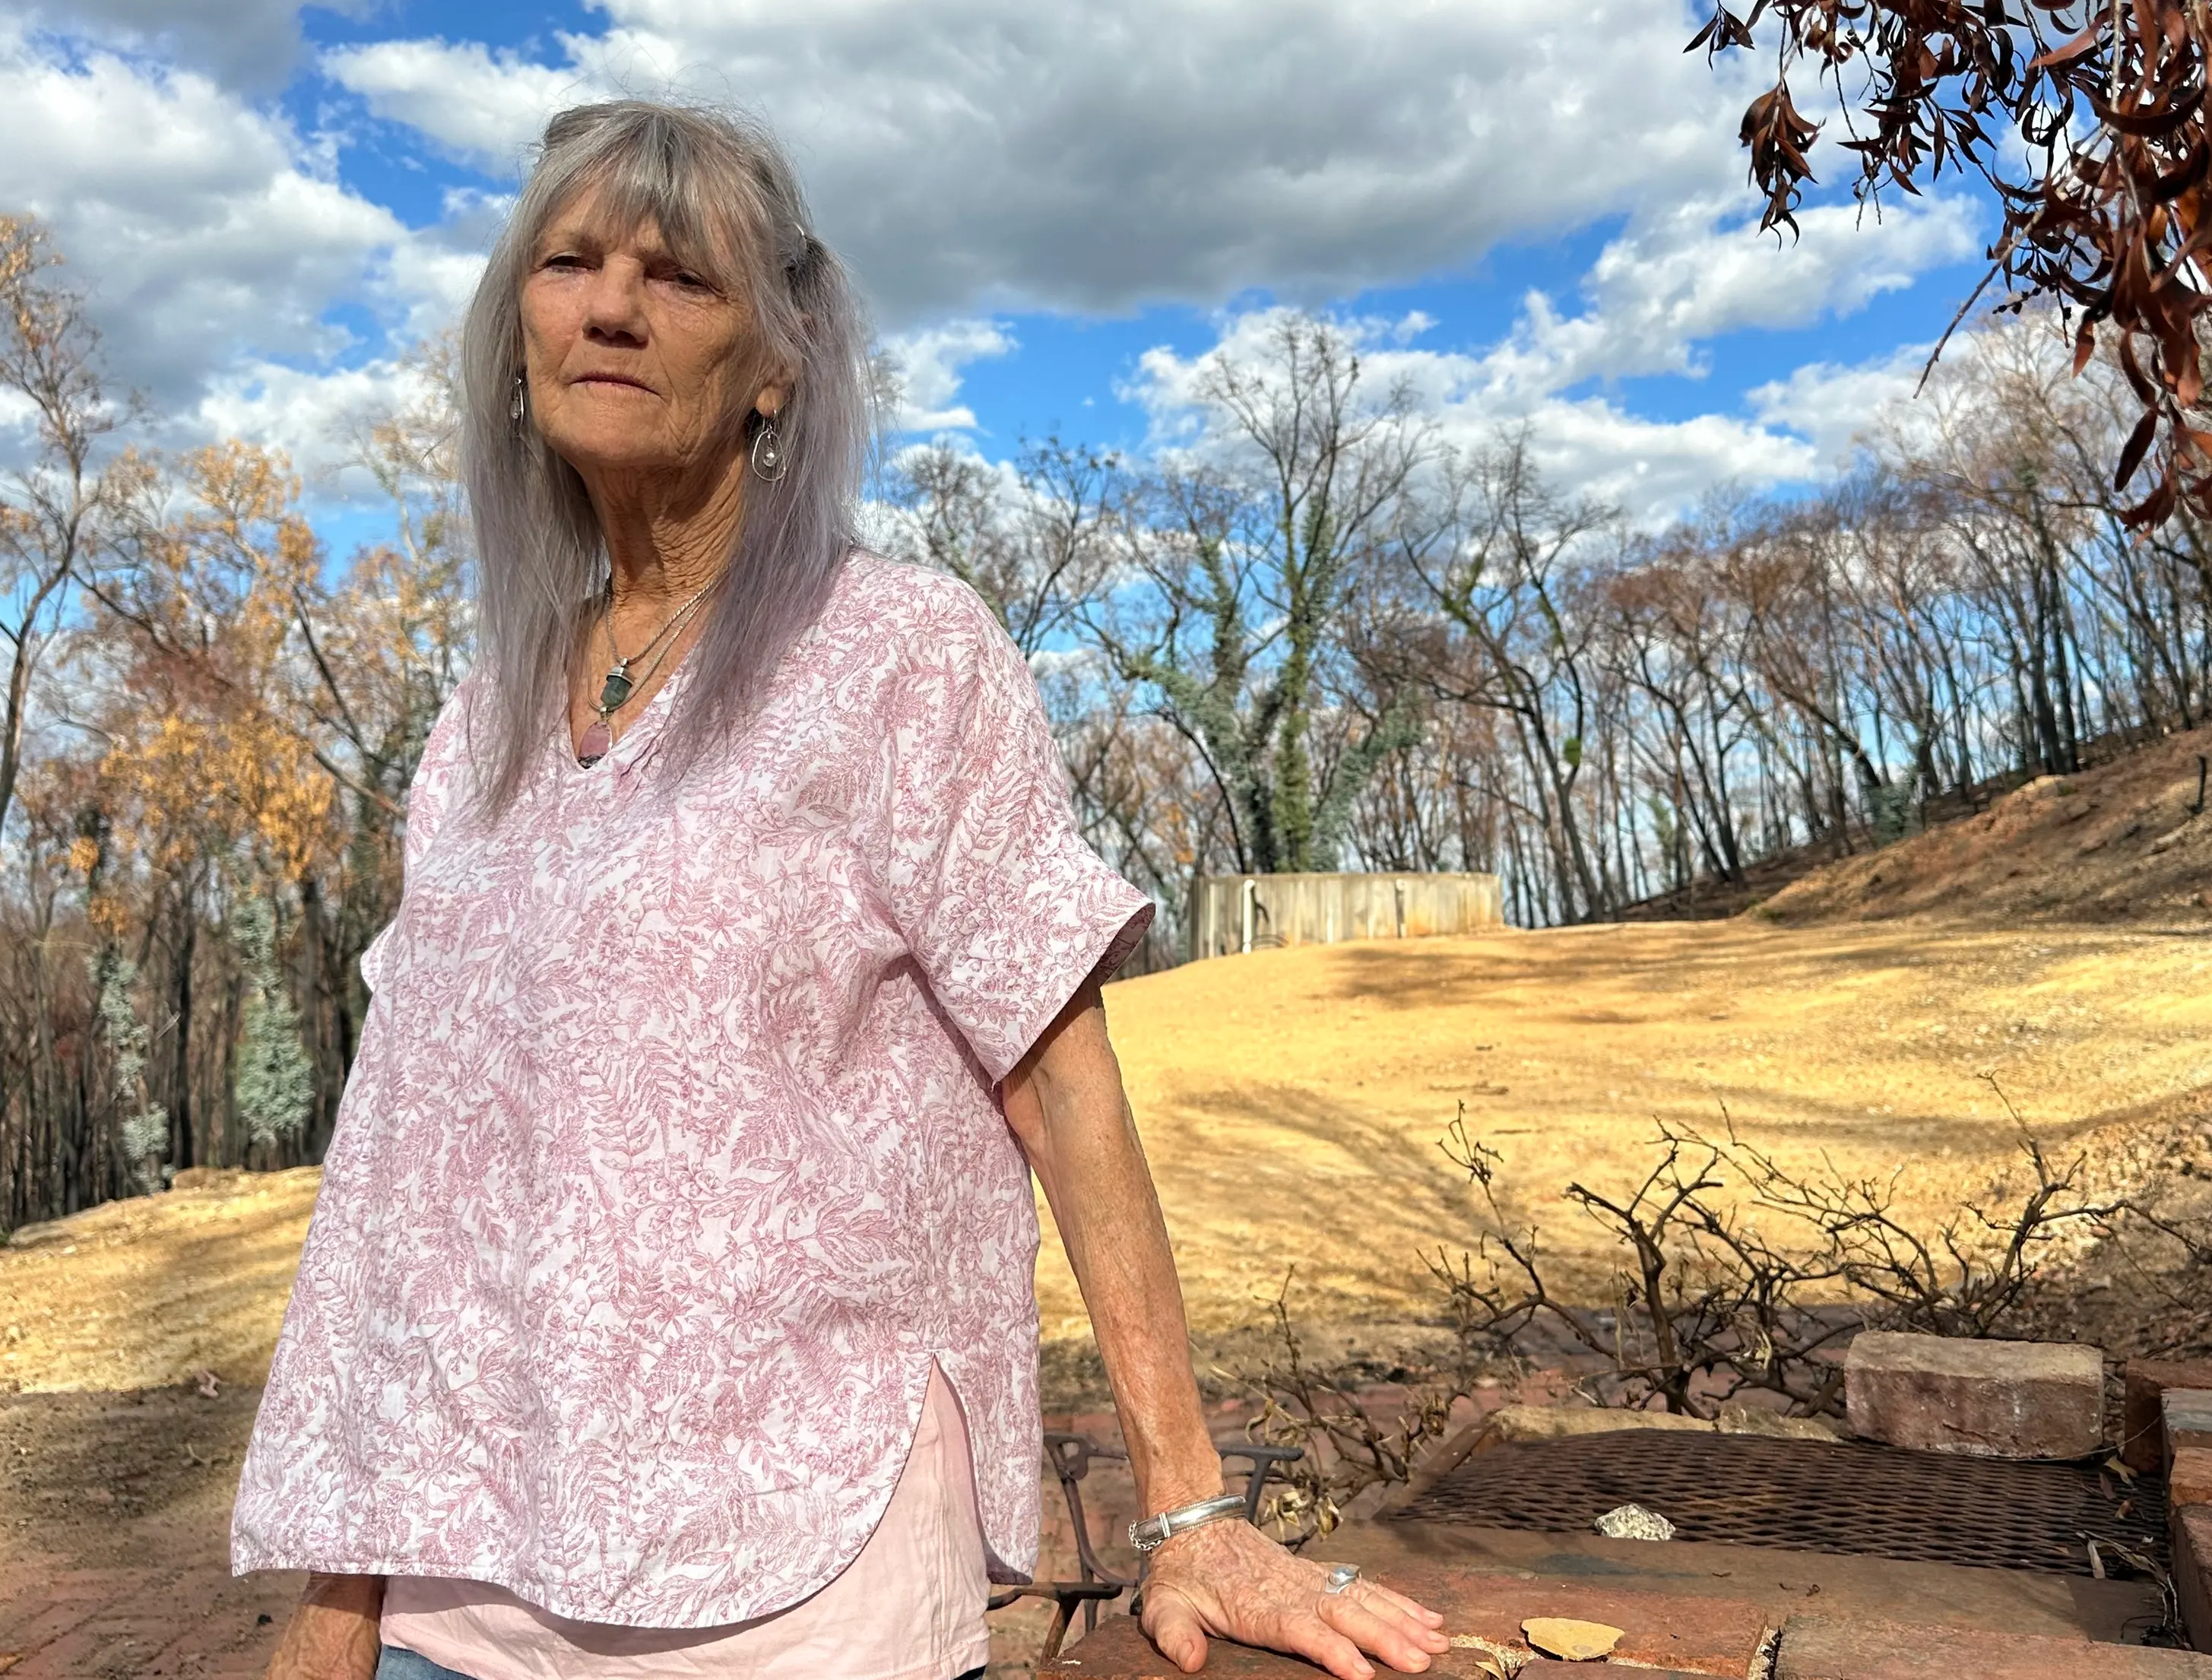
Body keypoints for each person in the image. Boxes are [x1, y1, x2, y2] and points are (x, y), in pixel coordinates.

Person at [232, 100, 1449, 1680]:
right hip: (460, 1599)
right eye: (569, 261)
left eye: (682, 275)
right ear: (515, 333)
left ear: (777, 364)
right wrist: (338, 1596)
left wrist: (1190, 1508)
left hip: (797, 1582)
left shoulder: (898, 656)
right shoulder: (484, 721)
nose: (612, 306)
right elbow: (410, 1175)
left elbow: (1059, 1083)